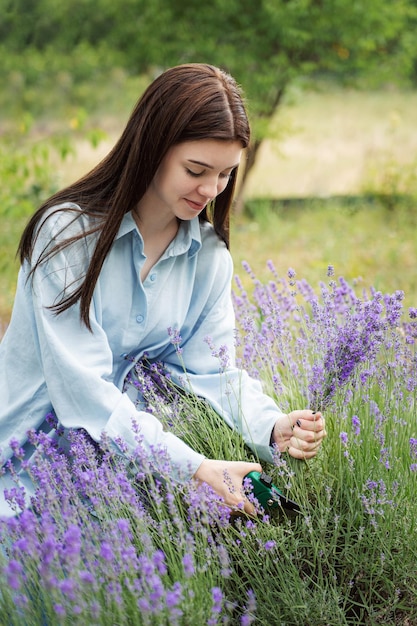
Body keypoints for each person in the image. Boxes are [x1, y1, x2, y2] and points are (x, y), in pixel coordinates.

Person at [0, 63, 326, 518]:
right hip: (21, 468)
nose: (210, 189)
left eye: (226, 174)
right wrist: (194, 468)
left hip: (116, 478)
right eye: (196, 169)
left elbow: (210, 370)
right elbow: (85, 392)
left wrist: (272, 426)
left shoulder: (207, 258)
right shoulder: (66, 237)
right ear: (153, 146)